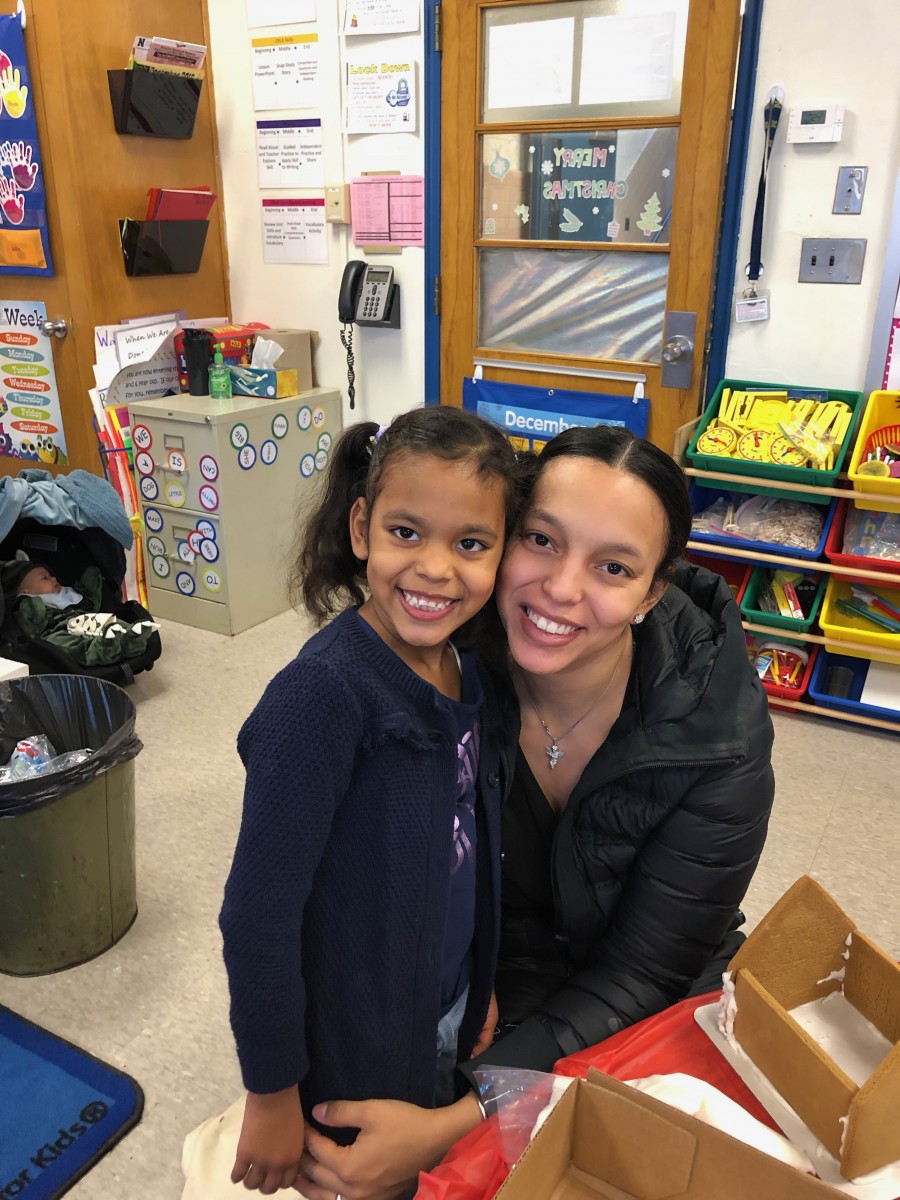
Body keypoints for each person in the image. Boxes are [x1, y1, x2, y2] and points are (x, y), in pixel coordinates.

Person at [296, 424, 775, 1200]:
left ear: (653, 592)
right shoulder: (448, 655)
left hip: (649, 994)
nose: (559, 589)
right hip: (492, 967)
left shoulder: (719, 737)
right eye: (541, 541)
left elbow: (644, 970)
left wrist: (462, 1114)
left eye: (613, 567)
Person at [201, 407, 520, 1198]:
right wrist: (271, 1094)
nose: (436, 569)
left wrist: (476, 986)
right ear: (360, 527)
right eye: (407, 533)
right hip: (353, 1042)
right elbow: (257, 916)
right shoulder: (321, 697)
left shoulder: (464, 664)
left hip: (441, 1006)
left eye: (471, 544)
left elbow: (467, 852)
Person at [1, 556, 158, 665]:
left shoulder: (65, 592)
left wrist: (91, 585)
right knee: (65, 645)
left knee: (108, 620)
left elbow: (88, 601)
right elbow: (33, 625)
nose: (54, 579)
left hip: (85, 618)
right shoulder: (27, 603)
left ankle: (130, 637)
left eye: (51, 576)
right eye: (45, 578)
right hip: (57, 630)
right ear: (26, 590)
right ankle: (105, 648)